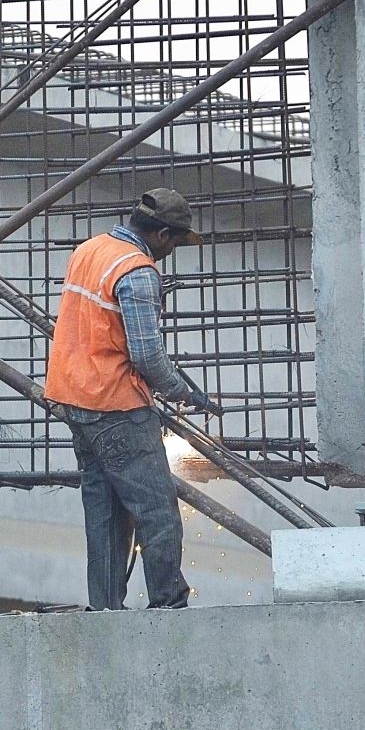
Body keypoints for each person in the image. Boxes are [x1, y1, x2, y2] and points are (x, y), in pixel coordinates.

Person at [44, 188, 219, 610]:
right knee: (156, 511)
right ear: (162, 233)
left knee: (104, 511)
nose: (172, 252)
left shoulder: (91, 250)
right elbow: (145, 353)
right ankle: (168, 606)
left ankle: (105, 608)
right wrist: (181, 392)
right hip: (115, 405)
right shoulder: (137, 270)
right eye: (175, 242)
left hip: (75, 401)